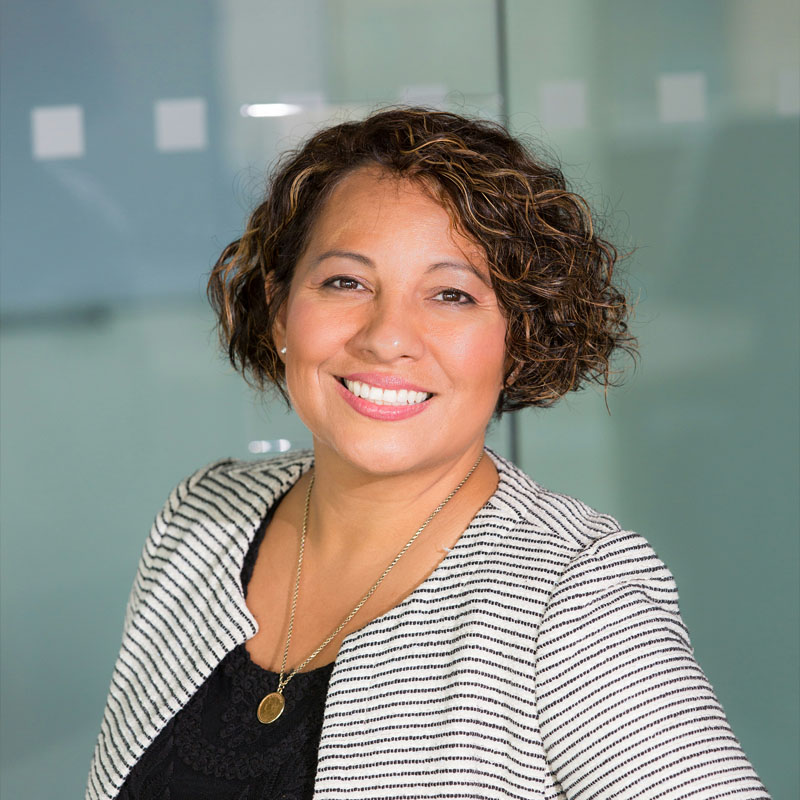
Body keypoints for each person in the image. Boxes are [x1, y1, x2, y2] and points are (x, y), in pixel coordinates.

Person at [86, 108, 769, 800]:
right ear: (279, 307)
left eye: (451, 295)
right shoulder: (201, 520)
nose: (387, 337)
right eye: (345, 283)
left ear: (519, 339)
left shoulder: (574, 598)